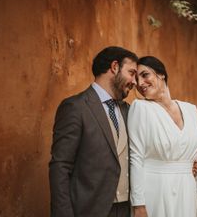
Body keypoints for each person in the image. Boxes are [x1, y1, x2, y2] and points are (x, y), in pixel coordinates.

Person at [49, 46, 138, 217]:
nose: (135, 82)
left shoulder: (129, 110)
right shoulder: (75, 107)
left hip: (126, 210)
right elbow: (60, 166)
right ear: (114, 67)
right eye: (131, 72)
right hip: (89, 210)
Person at [128, 56, 197, 217]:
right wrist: (138, 204)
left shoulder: (190, 109)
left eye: (145, 75)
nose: (140, 83)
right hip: (155, 189)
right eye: (136, 79)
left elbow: (194, 157)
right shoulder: (140, 108)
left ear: (161, 74)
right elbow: (136, 157)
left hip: (186, 189)